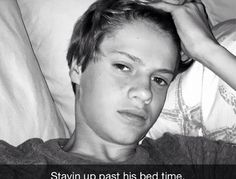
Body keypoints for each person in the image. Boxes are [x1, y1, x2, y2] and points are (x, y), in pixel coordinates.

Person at [1, 0, 236, 165]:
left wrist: (208, 50)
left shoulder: (190, 159)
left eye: (159, 79)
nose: (145, 93)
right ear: (78, 67)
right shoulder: (19, 164)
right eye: (123, 66)